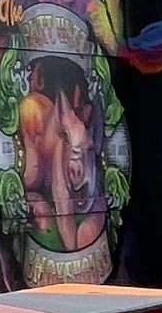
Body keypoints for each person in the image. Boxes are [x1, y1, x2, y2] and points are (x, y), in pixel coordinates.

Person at [16, 54, 107, 255]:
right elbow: (61, 199)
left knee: (85, 232)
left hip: (80, 191)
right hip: (47, 176)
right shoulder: (41, 114)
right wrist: (73, 251)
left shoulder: (79, 128)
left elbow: (66, 200)